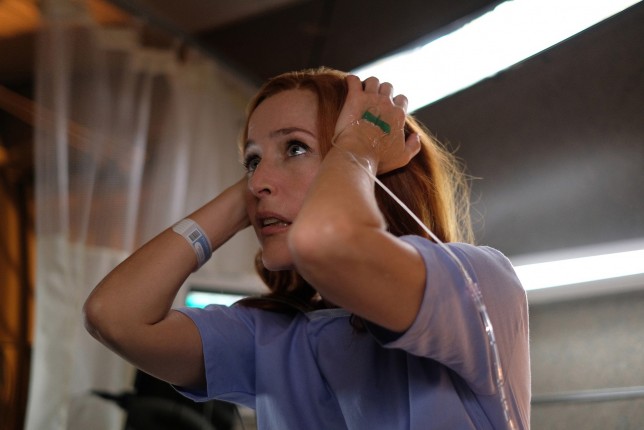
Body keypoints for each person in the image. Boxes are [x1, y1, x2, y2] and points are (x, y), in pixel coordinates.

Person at [83, 67, 530, 429]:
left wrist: (359, 146)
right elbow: (114, 316)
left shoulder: (476, 283)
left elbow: (328, 243)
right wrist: (250, 197)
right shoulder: (271, 338)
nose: (257, 182)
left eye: (296, 147)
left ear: (372, 167)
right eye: (252, 161)